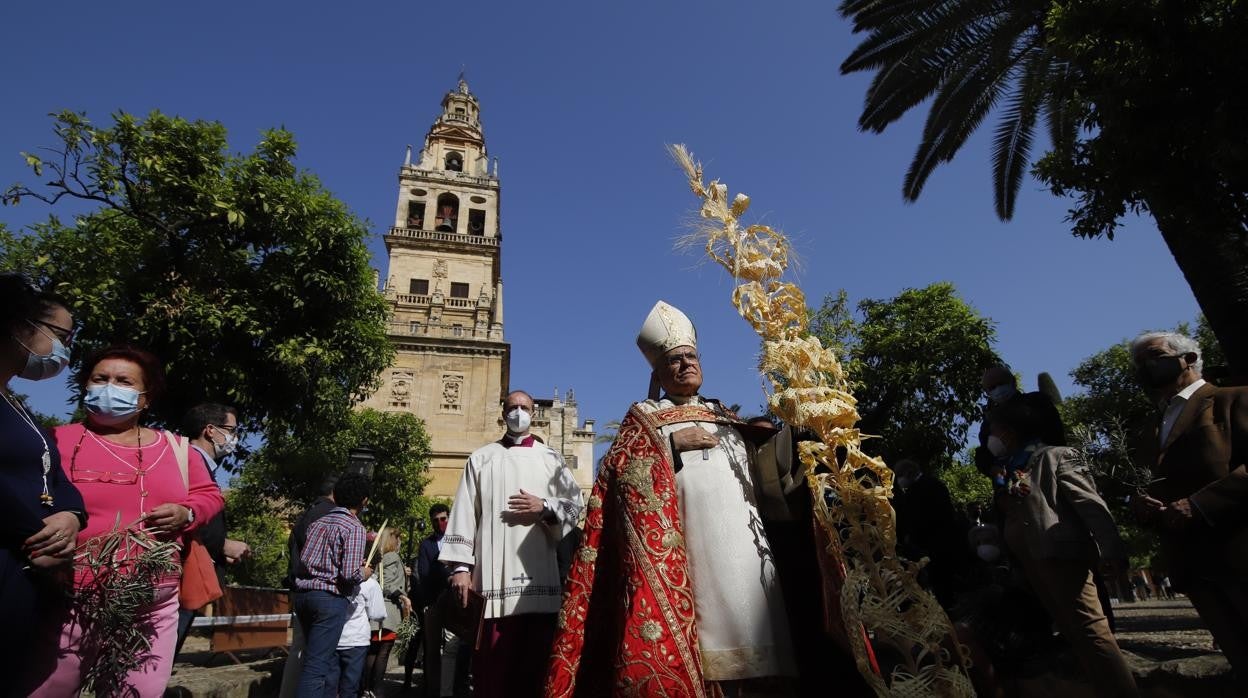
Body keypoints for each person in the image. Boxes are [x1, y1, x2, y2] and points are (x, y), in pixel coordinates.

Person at [547, 301, 802, 695]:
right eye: (674, 359)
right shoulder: (645, 419)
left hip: (747, 555)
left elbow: (771, 478)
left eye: (691, 356)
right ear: (658, 373)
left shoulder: (727, 418)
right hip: (688, 555)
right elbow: (615, 476)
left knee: (760, 640)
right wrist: (670, 444)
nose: (686, 364)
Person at [25, 345, 225, 696]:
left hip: (150, 607)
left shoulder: (176, 448)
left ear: (146, 399)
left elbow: (210, 495)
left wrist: (187, 513)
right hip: (67, 601)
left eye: (123, 381)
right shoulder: (54, 441)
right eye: (100, 379)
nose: (109, 387)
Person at [989, 397, 1138, 697]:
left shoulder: (1056, 456)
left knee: (1092, 629)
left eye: (996, 429)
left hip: (1060, 554)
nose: (992, 437)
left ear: (1010, 431)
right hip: (1032, 559)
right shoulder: (1010, 467)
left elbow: (1092, 506)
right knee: (1072, 631)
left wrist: (1111, 550)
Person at [440, 390, 583, 698]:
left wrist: (544, 508)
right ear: (503, 413)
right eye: (513, 407)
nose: (519, 412)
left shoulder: (551, 459)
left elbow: (575, 504)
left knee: (536, 670)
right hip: (492, 586)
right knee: (493, 673)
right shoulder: (481, 458)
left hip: (541, 581)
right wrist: (461, 567)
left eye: (525, 407)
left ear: (534, 413)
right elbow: (465, 511)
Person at [1129, 331, 1248, 680]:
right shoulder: (1152, 426)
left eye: (1154, 356)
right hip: (1193, 563)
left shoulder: (1233, 399)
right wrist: (1142, 504)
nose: (1145, 367)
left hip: (1239, 551)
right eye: (1139, 364)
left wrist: (1199, 504)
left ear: (1189, 358)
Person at [0, 274, 87, 682]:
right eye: (60, 335)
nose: (63, 349)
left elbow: (54, 474)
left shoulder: (15, 405)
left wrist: (72, 514)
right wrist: (33, 538)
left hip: (24, 579)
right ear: (19, 326)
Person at [173, 402, 251, 657]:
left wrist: (220, 547)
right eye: (231, 430)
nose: (233, 438)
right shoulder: (188, 461)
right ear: (210, 430)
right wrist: (222, 545)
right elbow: (187, 517)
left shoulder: (201, 464)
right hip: (180, 576)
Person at [292, 472, 373, 697]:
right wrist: (364, 573)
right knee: (317, 669)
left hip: (304, 595)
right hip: (329, 599)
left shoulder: (319, 522)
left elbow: (306, 558)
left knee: (315, 663)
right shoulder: (354, 526)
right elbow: (349, 574)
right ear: (364, 500)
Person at [279, 474, 340, 698]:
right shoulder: (328, 515)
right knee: (317, 658)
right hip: (319, 591)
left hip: (300, 589)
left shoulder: (307, 513)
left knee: (299, 651)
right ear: (336, 493)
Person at [891, 458, 964, 605]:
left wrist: (912, 537)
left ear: (909, 472)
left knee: (941, 583)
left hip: (933, 545)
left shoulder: (919, 490)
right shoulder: (935, 484)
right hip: (943, 542)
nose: (899, 480)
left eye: (899, 475)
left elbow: (920, 518)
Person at [415, 503, 469, 697]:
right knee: (432, 648)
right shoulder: (427, 545)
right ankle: (433, 689)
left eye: (443, 519)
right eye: (436, 520)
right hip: (435, 600)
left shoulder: (460, 541)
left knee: (458, 646)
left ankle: (457, 687)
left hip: (459, 600)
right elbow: (423, 573)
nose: (440, 523)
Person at [363, 528, 410, 696]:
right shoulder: (393, 557)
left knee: (375, 650)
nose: (400, 543)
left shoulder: (383, 558)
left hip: (379, 611)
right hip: (387, 611)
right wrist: (401, 595)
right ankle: (375, 688)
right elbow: (387, 584)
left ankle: (367, 688)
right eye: (398, 539)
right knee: (382, 651)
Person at [335, 568, 387, 698]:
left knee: (330, 685)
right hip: (356, 640)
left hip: (333, 637)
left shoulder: (333, 577)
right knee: (350, 687)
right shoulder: (370, 583)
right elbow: (378, 614)